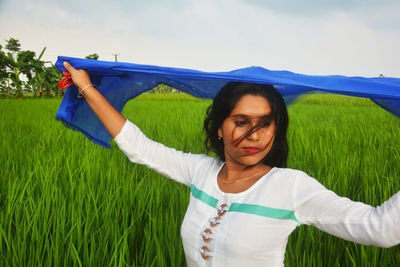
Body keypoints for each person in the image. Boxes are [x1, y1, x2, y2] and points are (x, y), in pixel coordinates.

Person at [62, 61, 400, 267]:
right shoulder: (202, 172)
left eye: (265, 123)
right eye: (241, 121)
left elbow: (380, 228)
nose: (254, 134)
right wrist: (88, 88)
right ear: (220, 128)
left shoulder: (291, 187)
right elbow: (140, 147)